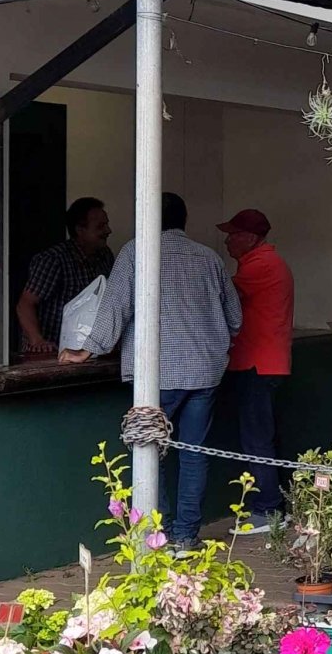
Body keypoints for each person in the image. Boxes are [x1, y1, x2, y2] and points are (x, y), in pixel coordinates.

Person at [61, 193, 241, 551]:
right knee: (194, 453)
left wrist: (86, 350)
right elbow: (235, 319)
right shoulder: (208, 257)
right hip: (204, 372)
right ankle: (186, 536)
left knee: (147, 448)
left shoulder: (135, 252)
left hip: (158, 373)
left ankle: (155, 537)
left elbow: (114, 308)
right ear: (183, 219)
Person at [219, 208, 295, 527]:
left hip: (257, 364)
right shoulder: (265, 262)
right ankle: (273, 504)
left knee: (256, 439)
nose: (227, 241)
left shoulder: (259, 265)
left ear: (250, 238)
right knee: (262, 436)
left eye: (232, 235)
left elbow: (222, 295)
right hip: (266, 363)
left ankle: (267, 510)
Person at [15, 197, 113, 353]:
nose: (108, 230)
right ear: (80, 230)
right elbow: (25, 304)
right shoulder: (54, 260)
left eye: (107, 224)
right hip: (48, 352)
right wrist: (38, 340)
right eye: (101, 226)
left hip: (85, 351)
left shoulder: (105, 256)